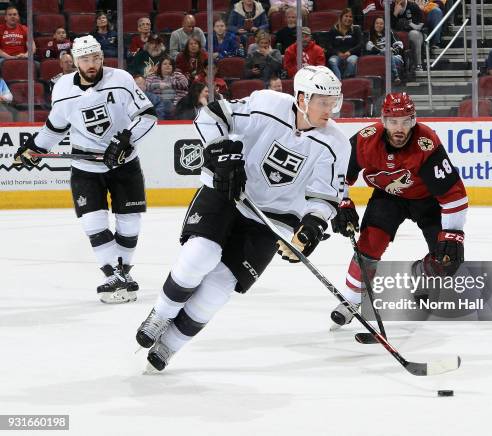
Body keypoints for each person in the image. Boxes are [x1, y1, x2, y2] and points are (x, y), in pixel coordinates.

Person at [134, 65, 350, 372]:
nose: (330, 109)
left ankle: (170, 344)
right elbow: (213, 115)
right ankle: (160, 314)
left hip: (272, 220)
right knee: (200, 255)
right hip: (228, 192)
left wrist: (313, 225)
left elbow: (325, 196)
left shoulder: (336, 143)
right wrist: (223, 154)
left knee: (219, 288)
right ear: (302, 98)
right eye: (323, 102)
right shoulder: (267, 103)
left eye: (333, 102)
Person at [12, 35, 157, 303]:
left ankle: (120, 273)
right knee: (93, 222)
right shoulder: (63, 88)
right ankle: (114, 275)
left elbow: (147, 116)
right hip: (85, 167)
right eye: (85, 59)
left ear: (102, 57)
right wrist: (34, 148)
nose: (91, 64)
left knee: (130, 221)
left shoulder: (121, 79)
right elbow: (55, 128)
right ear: (75, 61)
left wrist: (125, 141)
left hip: (124, 164)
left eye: (95, 58)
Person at [329, 92, 468, 327]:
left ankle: (421, 272)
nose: (399, 128)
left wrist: (454, 234)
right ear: (383, 121)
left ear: (414, 120)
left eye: (406, 121)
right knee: (369, 246)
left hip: (427, 200)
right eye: (393, 121)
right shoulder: (365, 140)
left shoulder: (426, 142)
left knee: (447, 259)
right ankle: (351, 300)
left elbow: (452, 193)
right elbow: (337, 173)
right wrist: (341, 202)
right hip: (387, 198)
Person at [365, 17, 405, 84]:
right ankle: (395, 76)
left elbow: (399, 45)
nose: (379, 25)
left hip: (392, 56)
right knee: (387, 53)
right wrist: (383, 51)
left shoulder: (389, 33)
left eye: (381, 24)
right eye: (377, 23)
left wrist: (392, 51)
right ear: (374, 24)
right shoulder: (369, 34)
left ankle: (389, 84)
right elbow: (368, 47)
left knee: (396, 59)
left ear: (384, 25)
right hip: (377, 57)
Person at [328, 8, 363, 80]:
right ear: (341, 17)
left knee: (352, 60)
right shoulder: (334, 30)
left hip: (352, 55)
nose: (348, 18)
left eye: (350, 17)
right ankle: (338, 81)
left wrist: (350, 52)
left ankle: (346, 80)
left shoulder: (356, 29)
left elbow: (360, 44)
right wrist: (338, 53)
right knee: (332, 61)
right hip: (337, 55)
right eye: (346, 16)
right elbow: (329, 46)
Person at [392, 0, 426, 72]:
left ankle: (418, 65)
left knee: (413, 34)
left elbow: (421, 25)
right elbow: (389, 27)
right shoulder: (392, 7)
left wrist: (408, 24)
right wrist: (395, 13)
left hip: (417, 33)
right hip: (397, 35)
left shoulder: (413, 6)